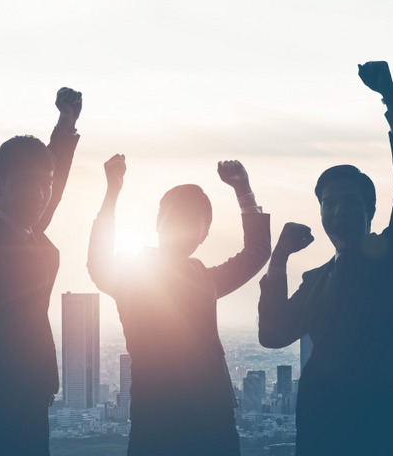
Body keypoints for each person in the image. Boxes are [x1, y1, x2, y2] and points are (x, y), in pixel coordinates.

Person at [257, 62, 393, 455]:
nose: (338, 212)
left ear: (370, 210)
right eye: (329, 204)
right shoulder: (317, 280)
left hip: (374, 431)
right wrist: (279, 258)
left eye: (350, 202)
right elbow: (272, 333)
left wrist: (392, 101)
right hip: (319, 430)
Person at [87, 154, 270, 456]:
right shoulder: (132, 275)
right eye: (175, 216)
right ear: (158, 222)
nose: (181, 227)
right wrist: (112, 192)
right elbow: (97, 264)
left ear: (203, 235)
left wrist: (243, 192)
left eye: (191, 222)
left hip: (212, 420)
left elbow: (256, 253)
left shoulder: (203, 278)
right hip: (160, 423)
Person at [0, 87, 82, 456]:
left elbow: (52, 180)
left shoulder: (32, 234)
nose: (42, 194)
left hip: (29, 404)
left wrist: (66, 123)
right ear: (0, 184)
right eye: (29, 184)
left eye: (46, 185)